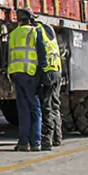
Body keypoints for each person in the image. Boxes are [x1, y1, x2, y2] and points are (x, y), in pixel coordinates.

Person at [8, 9, 47, 152]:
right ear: (30, 19)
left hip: (16, 74)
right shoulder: (35, 32)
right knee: (35, 108)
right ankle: (36, 142)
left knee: (23, 110)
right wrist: (42, 74)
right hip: (31, 74)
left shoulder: (13, 34)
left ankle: (24, 142)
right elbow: (42, 53)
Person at [37, 22, 63, 150]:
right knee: (55, 105)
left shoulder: (37, 31)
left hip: (47, 72)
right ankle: (57, 137)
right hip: (56, 71)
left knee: (46, 107)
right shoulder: (49, 31)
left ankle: (47, 140)